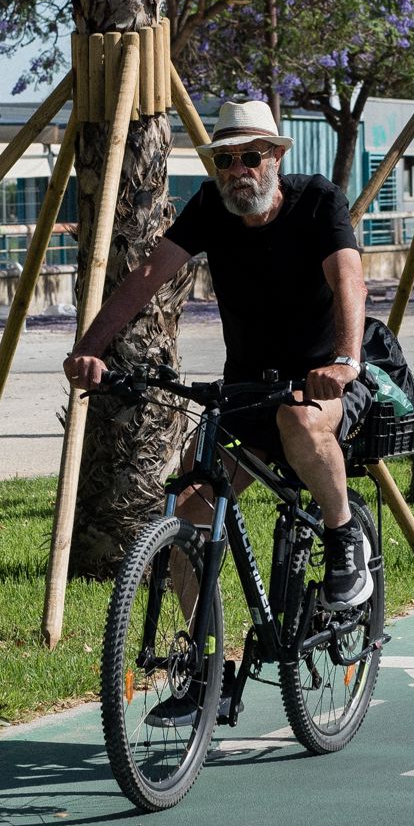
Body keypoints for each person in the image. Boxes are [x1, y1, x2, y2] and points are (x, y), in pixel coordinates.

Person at [63, 97, 376, 633]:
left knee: (297, 420)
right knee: (185, 514)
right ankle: (201, 661)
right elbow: (145, 278)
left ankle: (343, 533)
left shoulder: (318, 201)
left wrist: (345, 362)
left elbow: (349, 280)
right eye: (224, 161)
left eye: (250, 158)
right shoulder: (210, 207)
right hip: (247, 394)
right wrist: (89, 348)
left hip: (323, 384)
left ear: (275, 156)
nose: (237, 172)